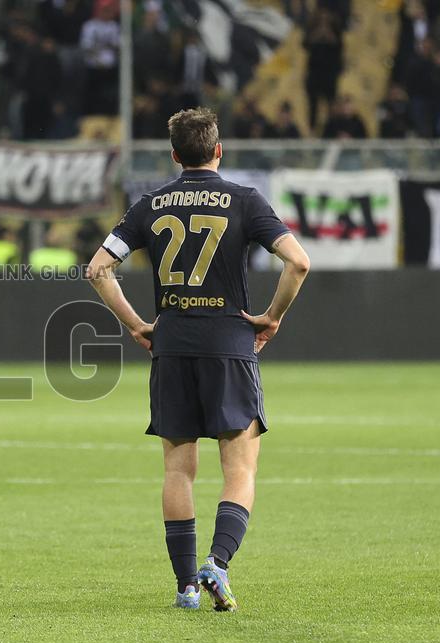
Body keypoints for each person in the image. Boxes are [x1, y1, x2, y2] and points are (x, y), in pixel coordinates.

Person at [86, 108, 310, 611]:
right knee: (241, 467)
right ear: (218, 150)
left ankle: (186, 586)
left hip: (173, 346)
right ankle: (219, 563)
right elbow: (298, 261)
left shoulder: (151, 203)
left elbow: (99, 269)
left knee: (177, 470)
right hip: (230, 346)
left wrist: (136, 323)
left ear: (174, 155)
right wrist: (271, 316)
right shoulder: (245, 201)